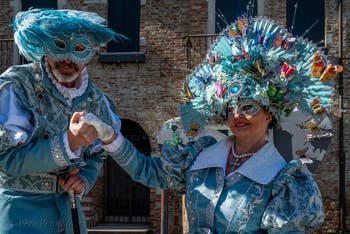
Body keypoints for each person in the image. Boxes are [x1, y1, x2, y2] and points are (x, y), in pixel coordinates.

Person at [82, 15, 342, 233]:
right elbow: (147, 171)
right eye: (231, 108)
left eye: (248, 107)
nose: (237, 115)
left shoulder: (283, 178)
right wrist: (110, 138)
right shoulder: (200, 154)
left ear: (269, 114)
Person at [0, 8, 123, 233]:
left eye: (78, 49)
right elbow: (5, 158)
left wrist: (83, 179)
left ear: (90, 55)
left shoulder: (97, 100)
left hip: (68, 213)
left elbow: (97, 155)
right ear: (45, 47)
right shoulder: (17, 86)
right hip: (19, 212)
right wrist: (69, 143)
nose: (68, 58)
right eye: (60, 46)